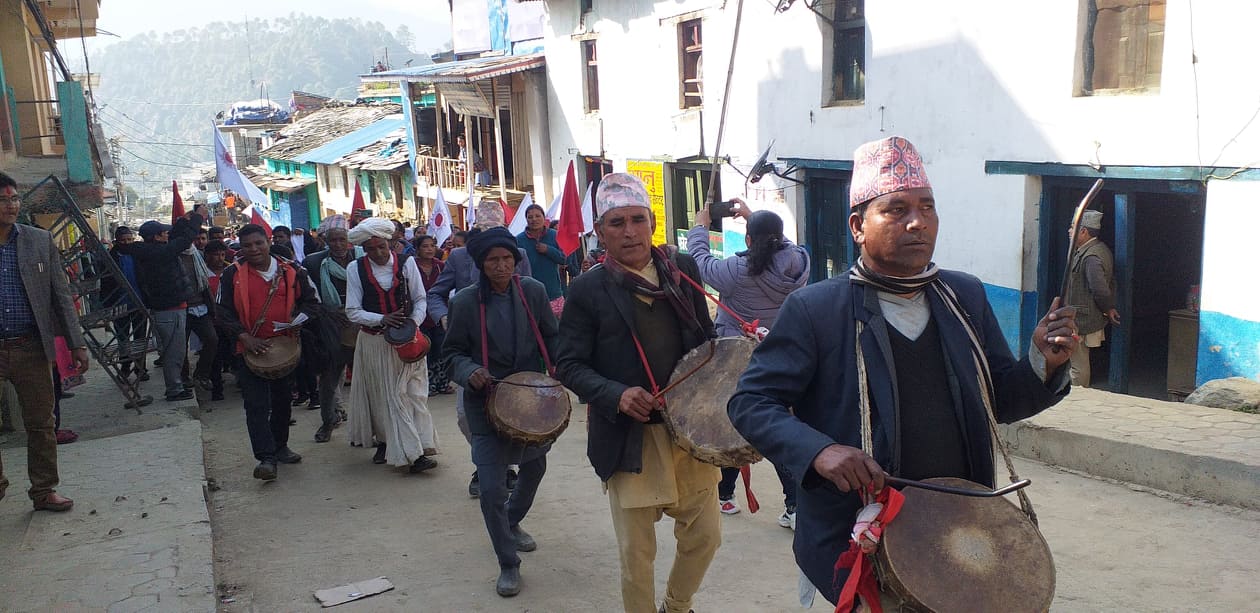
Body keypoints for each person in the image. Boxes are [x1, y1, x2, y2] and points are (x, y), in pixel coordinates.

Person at [726, 136, 1078, 608]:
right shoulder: (815, 309)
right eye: (896, 210)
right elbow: (750, 403)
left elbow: (1000, 401)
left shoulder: (964, 296)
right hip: (861, 530)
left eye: (927, 207)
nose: (918, 222)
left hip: (957, 523)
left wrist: (1044, 364)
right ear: (857, 226)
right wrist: (821, 451)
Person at [556, 173, 720, 613]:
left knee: (706, 537)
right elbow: (567, 364)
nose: (629, 231)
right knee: (637, 556)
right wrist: (615, 394)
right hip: (630, 439)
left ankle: (677, 606)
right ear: (600, 232)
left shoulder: (681, 268)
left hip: (687, 432)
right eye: (616, 223)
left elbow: (705, 340)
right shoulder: (589, 289)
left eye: (637, 219)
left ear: (651, 223)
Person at [444, 227, 560, 597]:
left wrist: (563, 369)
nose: (501, 266)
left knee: (535, 467)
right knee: (492, 488)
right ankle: (508, 563)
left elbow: (552, 339)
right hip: (485, 404)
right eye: (493, 260)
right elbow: (450, 356)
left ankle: (510, 523)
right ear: (481, 264)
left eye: (507, 259)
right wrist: (469, 371)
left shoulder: (533, 292)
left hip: (530, 403)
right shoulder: (464, 302)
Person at [688, 201, 810, 526]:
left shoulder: (736, 272)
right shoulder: (797, 264)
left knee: (735, 425)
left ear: (748, 240)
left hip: (735, 360)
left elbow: (700, 262)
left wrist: (700, 226)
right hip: (776, 358)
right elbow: (778, 241)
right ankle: (788, 504)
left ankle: (728, 496)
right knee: (772, 425)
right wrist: (752, 215)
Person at [427, 200, 531, 498]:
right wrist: (444, 316)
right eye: (484, 232)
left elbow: (529, 294)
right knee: (466, 416)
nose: (499, 262)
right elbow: (436, 294)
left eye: (497, 232)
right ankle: (486, 463)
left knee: (514, 413)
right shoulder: (459, 257)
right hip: (471, 353)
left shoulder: (519, 255)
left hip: (512, 352)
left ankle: (503, 467)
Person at [0, 171, 88, 512]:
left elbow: (60, 297)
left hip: (30, 347)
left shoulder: (38, 240)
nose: (10, 205)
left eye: (14, 199)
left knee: (41, 423)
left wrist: (76, 343)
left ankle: (44, 490)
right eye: (3, 200)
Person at [216, 223, 319, 481]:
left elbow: (312, 302)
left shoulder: (292, 270)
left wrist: (298, 320)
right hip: (248, 350)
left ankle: (281, 446)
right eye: (248, 245)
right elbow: (222, 312)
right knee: (256, 404)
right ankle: (266, 458)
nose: (254, 249)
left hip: (284, 348)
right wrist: (244, 337)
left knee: (283, 400)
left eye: (258, 243)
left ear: (269, 241)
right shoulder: (232, 275)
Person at [345, 217, 439, 473]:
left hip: (409, 342)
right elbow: (352, 311)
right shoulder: (355, 269)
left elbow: (421, 300)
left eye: (381, 247)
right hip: (375, 343)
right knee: (388, 397)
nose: (377, 253)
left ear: (390, 244)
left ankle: (417, 444)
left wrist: (411, 326)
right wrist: (382, 319)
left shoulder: (407, 264)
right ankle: (410, 454)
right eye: (371, 249)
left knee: (414, 394)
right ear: (363, 249)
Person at [120, 216, 203, 402]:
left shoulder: (149, 251)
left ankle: (176, 386)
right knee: (175, 352)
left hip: (170, 308)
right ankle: (174, 389)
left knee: (175, 350)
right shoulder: (158, 253)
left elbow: (176, 237)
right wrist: (197, 219)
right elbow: (182, 241)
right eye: (164, 232)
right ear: (156, 237)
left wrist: (183, 221)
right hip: (169, 309)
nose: (168, 234)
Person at [303, 216, 359, 443]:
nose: (337, 244)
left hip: (361, 324)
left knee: (367, 379)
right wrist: (330, 310)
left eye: (342, 240)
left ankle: (371, 427)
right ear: (325, 241)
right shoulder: (314, 263)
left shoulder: (360, 260)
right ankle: (328, 421)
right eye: (333, 240)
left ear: (349, 241)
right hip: (331, 327)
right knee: (329, 378)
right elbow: (309, 297)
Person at [1067, 210, 1120, 388]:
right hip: (1085, 315)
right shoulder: (1097, 249)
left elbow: (1100, 289)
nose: (1069, 231)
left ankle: (1079, 397)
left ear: (1084, 232)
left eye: (1073, 227)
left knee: (1078, 363)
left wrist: (1107, 308)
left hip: (1083, 318)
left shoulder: (1091, 256)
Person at [103, 226, 148, 381]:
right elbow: (105, 284)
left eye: (130, 240)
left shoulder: (138, 255)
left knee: (140, 336)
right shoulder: (110, 258)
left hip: (139, 302)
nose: (127, 243)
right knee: (123, 338)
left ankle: (140, 367)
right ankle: (125, 366)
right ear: (117, 241)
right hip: (119, 305)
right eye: (123, 240)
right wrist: (107, 308)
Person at [182, 226, 219, 395]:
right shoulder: (172, 258)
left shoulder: (198, 256)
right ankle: (184, 378)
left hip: (201, 306)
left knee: (212, 340)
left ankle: (201, 373)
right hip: (181, 308)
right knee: (181, 347)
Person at [414, 235, 451, 395]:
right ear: (418, 249)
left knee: (441, 348)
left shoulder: (441, 266)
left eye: (432, 246)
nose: (429, 249)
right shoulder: (411, 266)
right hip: (419, 315)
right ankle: (426, 384)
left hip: (439, 314)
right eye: (425, 246)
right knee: (424, 349)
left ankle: (442, 383)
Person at [515, 204, 566, 302]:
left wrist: (548, 250)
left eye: (538, 216)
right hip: (529, 294)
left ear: (544, 217)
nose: (534, 219)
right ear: (526, 220)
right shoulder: (518, 240)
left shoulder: (554, 235)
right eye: (530, 217)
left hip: (553, 293)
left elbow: (563, 259)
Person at [203, 239, 231, 401]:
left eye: (222, 254)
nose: (220, 258)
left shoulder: (230, 271)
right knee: (216, 355)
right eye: (216, 255)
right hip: (213, 320)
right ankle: (217, 388)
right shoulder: (203, 273)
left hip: (230, 319)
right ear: (207, 256)